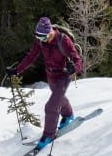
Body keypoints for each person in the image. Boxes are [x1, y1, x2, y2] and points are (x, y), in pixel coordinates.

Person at [7, 17, 83, 148]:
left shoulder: (63, 40)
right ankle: (68, 114)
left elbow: (78, 60)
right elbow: (31, 56)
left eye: (43, 37)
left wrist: (74, 68)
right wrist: (17, 70)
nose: (41, 40)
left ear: (50, 32)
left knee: (51, 106)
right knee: (58, 97)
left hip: (64, 75)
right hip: (51, 75)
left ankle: (48, 135)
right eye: (39, 37)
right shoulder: (40, 40)